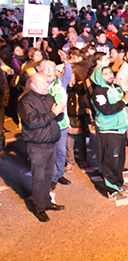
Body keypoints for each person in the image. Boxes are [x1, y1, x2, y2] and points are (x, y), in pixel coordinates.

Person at [18, 73, 66, 221]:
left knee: (48, 175)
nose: (47, 85)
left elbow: (56, 117)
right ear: (33, 85)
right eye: (44, 83)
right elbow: (33, 122)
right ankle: (38, 207)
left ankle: (46, 201)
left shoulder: (48, 97)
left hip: (50, 141)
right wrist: (53, 113)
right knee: (39, 177)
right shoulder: (25, 101)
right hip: (37, 144)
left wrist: (59, 113)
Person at [90, 54, 128, 200]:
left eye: (109, 72)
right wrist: (124, 101)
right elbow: (107, 109)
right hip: (109, 131)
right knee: (110, 161)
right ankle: (111, 190)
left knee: (119, 160)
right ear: (99, 77)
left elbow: (123, 103)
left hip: (120, 130)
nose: (109, 75)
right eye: (105, 74)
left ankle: (119, 182)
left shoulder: (115, 88)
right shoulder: (98, 92)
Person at [37, 60, 73, 189]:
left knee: (60, 151)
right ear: (40, 72)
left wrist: (66, 62)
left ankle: (58, 174)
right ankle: (50, 176)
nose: (49, 71)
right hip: (45, 124)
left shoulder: (60, 82)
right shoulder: (38, 85)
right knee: (48, 152)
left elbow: (68, 74)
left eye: (51, 69)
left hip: (61, 123)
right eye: (45, 69)